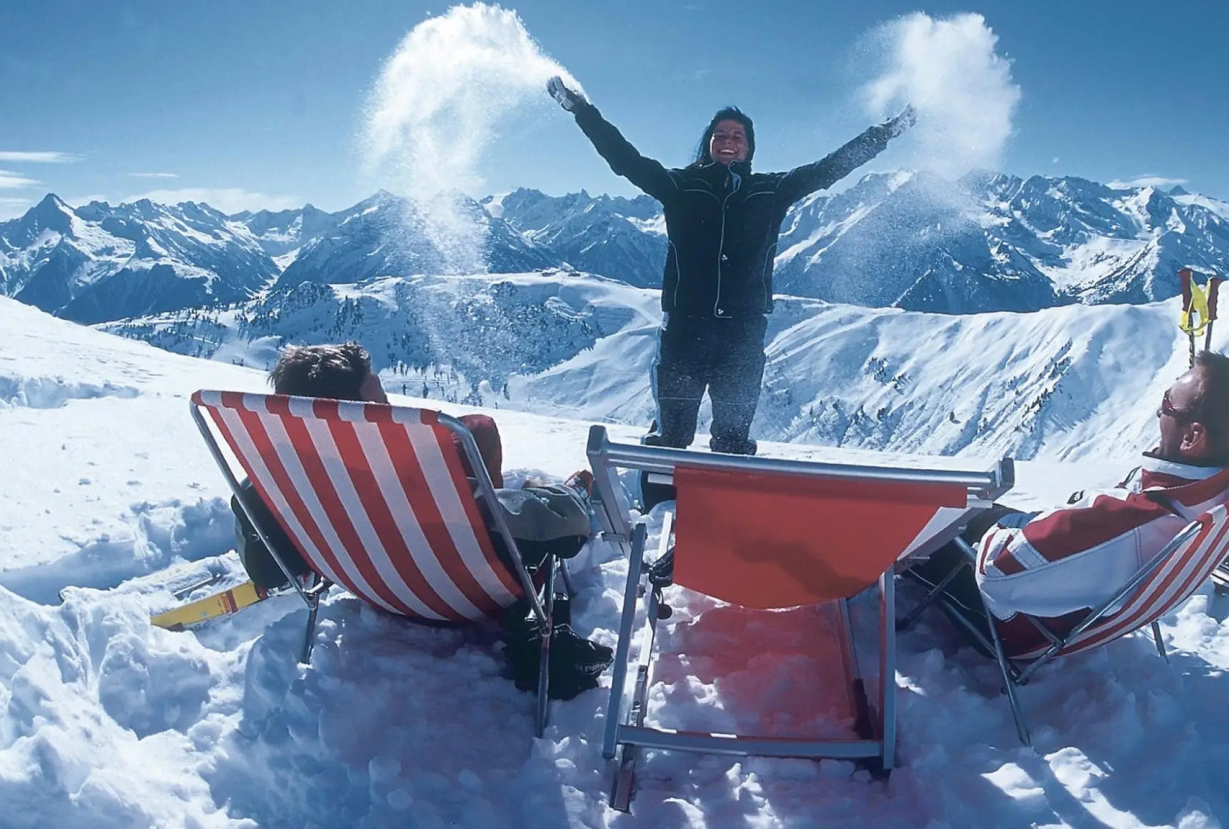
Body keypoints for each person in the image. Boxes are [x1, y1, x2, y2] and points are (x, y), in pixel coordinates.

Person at [548, 76, 917, 480]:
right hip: (685, 334)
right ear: (708, 142)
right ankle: (653, 511)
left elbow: (831, 167)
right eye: (720, 134)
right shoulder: (679, 186)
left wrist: (884, 133)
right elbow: (625, 159)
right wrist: (582, 109)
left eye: (738, 136)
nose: (729, 141)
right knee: (670, 435)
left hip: (741, 338)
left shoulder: (770, 191)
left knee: (733, 441)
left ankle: (722, 518)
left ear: (749, 147)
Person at [248, 342, 610, 697]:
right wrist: (560, 500)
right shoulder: (420, 481)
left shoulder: (290, 479)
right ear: (353, 419)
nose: (388, 409)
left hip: (372, 582)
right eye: (379, 404)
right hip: (468, 591)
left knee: (476, 430)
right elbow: (566, 524)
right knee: (517, 478)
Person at [912, 351, 1229, 658]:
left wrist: (998, 528)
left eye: (1168, 403)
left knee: (929, 524)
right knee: (980, 512)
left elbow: (997, 572)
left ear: (1192, 436)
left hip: (1016, 629)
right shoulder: (1227, 489)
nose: (1160, 411)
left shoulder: (1131, 522)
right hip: (1085, 595)